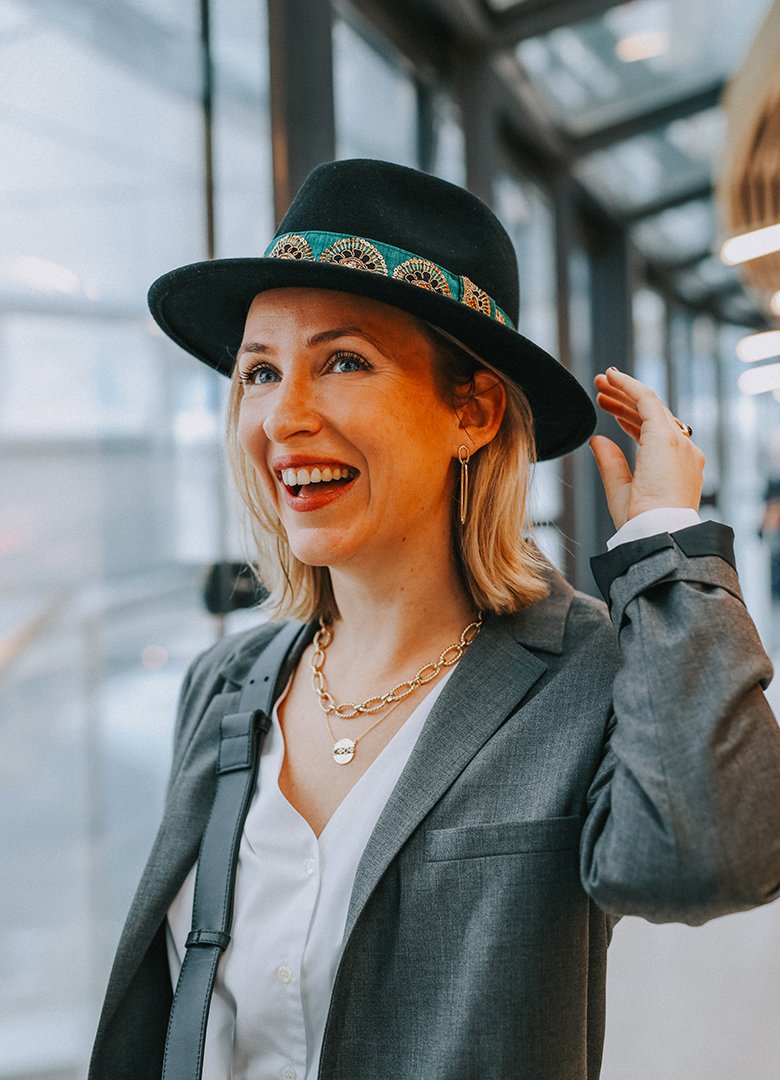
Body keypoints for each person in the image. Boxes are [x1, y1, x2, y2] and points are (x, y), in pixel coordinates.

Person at [89, 159, 780, 1080]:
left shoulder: (589, 672)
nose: (283, 416)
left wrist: (666, 536)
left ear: (474, 411)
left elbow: (713, 857)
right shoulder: (223, 686)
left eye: (343, 361)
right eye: (260, 371)